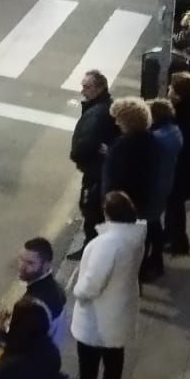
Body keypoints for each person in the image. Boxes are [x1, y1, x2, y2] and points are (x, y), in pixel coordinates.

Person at [70, 191, 146, 379]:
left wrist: (78, 291)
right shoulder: (135, 237)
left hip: (99, 313)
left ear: (107, 213)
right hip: (120, 307)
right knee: (114, 352)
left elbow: (93, 283)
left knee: (88, 363)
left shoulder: (107, 244)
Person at [69, 70, 117, 248]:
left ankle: (91, 246)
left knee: (91, 209)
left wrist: (76, 156)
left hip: (95, 172)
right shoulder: (102, 107)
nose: (83, 91)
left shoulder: (97, 113)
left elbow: (86, 143)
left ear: (100, 88)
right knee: (92, 210)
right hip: (97, 169)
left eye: (87, 87)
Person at [103, 97, 157, 250]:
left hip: (124, 206)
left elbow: (115, 178)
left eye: (119, 119)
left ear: (129, 122)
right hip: (142, 201)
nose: (116, 123)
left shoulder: (123, 147)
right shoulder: (149, 140)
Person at [164, 74, 190, 255]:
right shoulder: (188, 110)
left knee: (175, 207)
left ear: (179, 95)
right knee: (174, 206)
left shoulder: (184, 117)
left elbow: (181, 145)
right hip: (186, 169)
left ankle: (179, 243)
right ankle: (172, 236)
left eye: (172, 88)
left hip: (183, 172)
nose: (168, 90)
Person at [143, 99, 182, 280]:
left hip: (154, 188)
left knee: (152, 226)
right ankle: (155, 258)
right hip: (164, 184)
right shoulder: (173, 131)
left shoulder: (157, 139)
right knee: (154, 223)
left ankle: (154, 262)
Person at [16, 237, 67, 344]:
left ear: (46, 265)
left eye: (30, 263)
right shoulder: (56, 288)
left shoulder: (31, 305)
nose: (21, 266)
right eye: (21, 259)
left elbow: (18, 344)